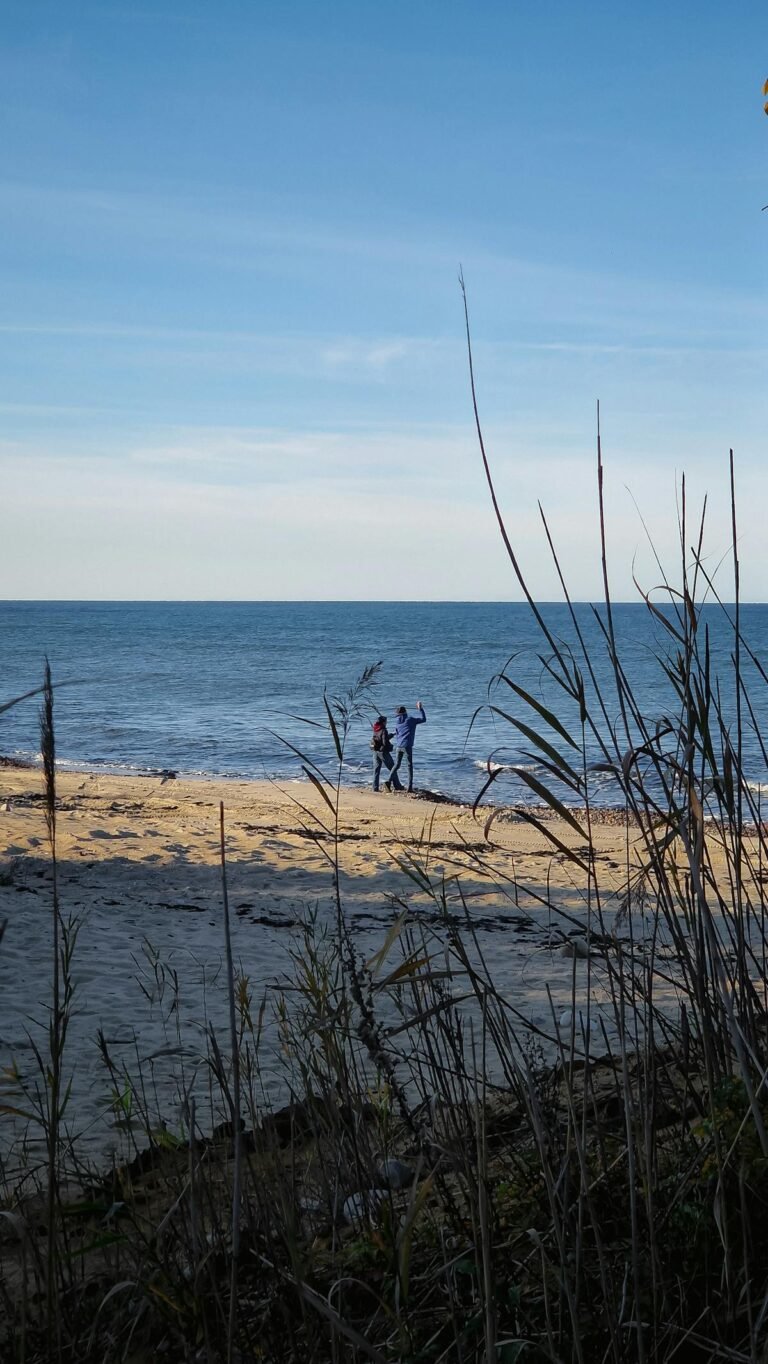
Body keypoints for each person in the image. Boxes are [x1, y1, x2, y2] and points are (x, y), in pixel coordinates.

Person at [385, 701, 426, 794]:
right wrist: (420, 708)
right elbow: (423, 719)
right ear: (405, 712)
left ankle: (388, 781)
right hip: (407, 746)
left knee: (397, 765)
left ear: (398, 714)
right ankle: (410, 787)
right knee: (409, 766)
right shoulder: (410, 720)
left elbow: (397, 732)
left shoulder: (397, 722)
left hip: (399, 745)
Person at [370, 714, 402, 793]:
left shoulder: (375, 728)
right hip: (383, 752)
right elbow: (384, 742)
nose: (387, 722)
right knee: (392, 768)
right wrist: (389, 747)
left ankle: (375, 787)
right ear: (383, 722)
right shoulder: (383, 730)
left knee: (376, 770)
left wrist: (392, 734)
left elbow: (380, 738)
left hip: (375, 751)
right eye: (386, 721)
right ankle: (397, 785)